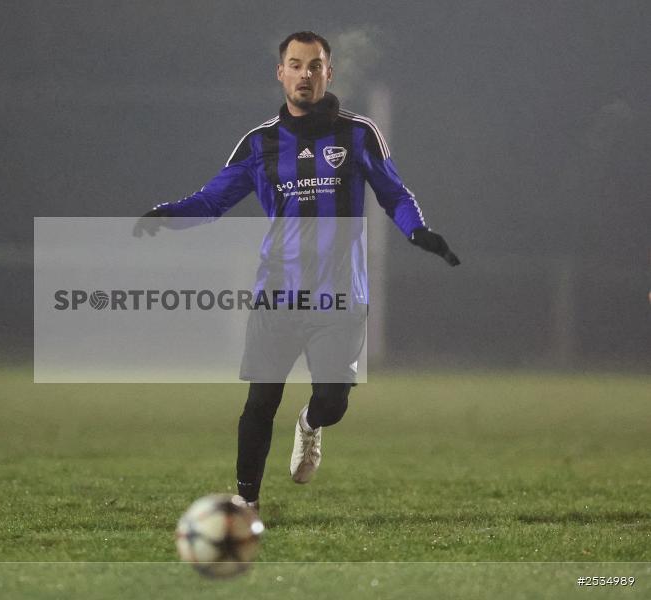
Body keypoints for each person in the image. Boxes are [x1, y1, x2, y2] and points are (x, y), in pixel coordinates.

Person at [134, 31, 459, 511]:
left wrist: (417, 230)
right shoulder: (260, 142)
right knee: (260, 403)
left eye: (314, 65)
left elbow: (394, 193)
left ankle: (310, 424)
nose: (304, 73)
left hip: (341, 294)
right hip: (278, 293)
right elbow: (212, 200)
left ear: (328, 73)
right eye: (295, 64)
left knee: (333, 402)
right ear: (280, 73)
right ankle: (247, 506)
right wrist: (168, 214)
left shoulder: (358, 133)